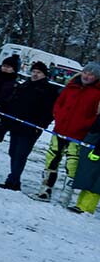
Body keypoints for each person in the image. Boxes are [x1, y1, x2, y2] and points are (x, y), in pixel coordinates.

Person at [34, 62, 100, 204]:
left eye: (91, 75)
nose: (87, 76)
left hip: (78, 136)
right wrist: (58, 115)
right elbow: (59, 103)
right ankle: (45, 189)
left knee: (72, 164)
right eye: (85, 73)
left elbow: (97, 115)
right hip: (59, 131)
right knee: (51, 159)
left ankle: (67, 194)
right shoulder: (71, 86)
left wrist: (85, 124)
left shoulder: (97, 93)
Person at [0, 60, 60, 191]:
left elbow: (49, 112)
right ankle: (14, 178)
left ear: (44, 74)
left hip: (31, 128)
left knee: (21, 154)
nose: (35, 74)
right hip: (16, 124)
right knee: (13, 152)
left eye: (38, 72)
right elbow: (14, 102)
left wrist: (41, 125)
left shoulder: (48, 90)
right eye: (34, 72)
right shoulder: (25, 85)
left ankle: (13, 180)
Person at [70, 118, 100, 214]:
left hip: (97, 144)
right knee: (88, 176)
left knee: (96, 179)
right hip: (94, 139)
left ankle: (86, 208)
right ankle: (80, 204)